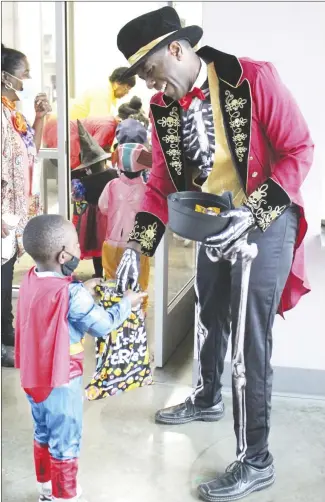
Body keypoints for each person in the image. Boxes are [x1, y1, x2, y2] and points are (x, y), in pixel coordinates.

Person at [116, 6, 314, 502]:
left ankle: (257, 459)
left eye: (150, 70)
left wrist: (257, 212)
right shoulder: (165, 108)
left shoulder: (252, 78)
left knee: (250, 336)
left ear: (177, 50)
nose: (150, 85)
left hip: (266, 216)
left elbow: (300, 150)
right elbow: (161, 183)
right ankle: (206, 398)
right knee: (208, 311)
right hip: (215, 218)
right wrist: (135, 248)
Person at [15, 214, 146, 502]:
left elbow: (52, 302)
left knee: (44, 431)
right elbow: (103, 325)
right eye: (76, 243)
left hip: (33, 378)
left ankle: (46, 486)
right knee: (67, 438)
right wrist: (127, 303)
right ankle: (64, 496)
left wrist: (82, 290)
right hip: (61, 379)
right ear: (64, 255)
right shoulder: (72, 294)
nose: (79, 247)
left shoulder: (30, 279)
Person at [1, 44, 51, 367]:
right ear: (5, 77)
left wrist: (41, 117)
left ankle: (6, 335)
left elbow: (28, 152)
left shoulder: (12, 113)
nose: (29, 80)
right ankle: (4, 340)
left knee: (4, 274)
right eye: (24, 75)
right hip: (2, 211)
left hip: (12, 212)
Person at [98, 118, 152, 312]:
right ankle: (139, 314)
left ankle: (113, 312)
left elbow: (103, 207)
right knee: (140, 280)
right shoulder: (147, 190)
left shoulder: (111, 186)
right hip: (139, 246)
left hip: (112, 242)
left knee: (112, 278)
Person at [71, 121, 118, 278]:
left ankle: (98, 274)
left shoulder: (82, 182)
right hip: (111, 214)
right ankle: (112, 271)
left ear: (87, 166)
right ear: (103, 161)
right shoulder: (113, 174)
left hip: (92, 215)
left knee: (96, 246)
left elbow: (76, 198)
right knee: (111, 244)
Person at [68, 67, 136, 120]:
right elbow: (98, 124)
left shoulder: (107, 93)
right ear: (117, 82)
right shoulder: (102, 93)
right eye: (127, 88)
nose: (127, 92)